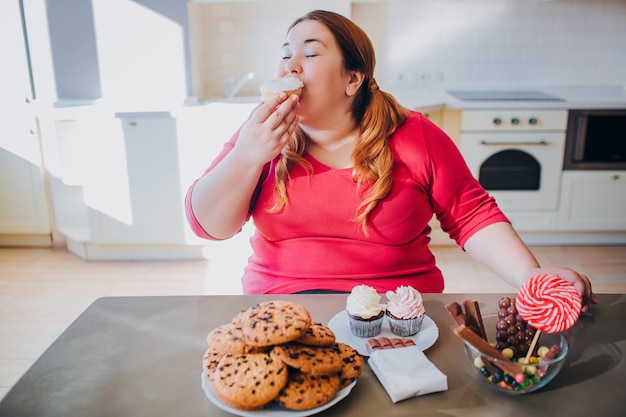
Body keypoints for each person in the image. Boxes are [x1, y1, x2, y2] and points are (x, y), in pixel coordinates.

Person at [185, 10, 596, 310]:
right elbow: (209, 227)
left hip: (399, 314)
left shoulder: (415, 136)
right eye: (285, 53)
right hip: (280, 310)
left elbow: (471, 216)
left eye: (310, 54)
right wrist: (246, 158)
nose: (289, 65)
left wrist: (531, 278)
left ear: (352, 78)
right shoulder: (258, 136)